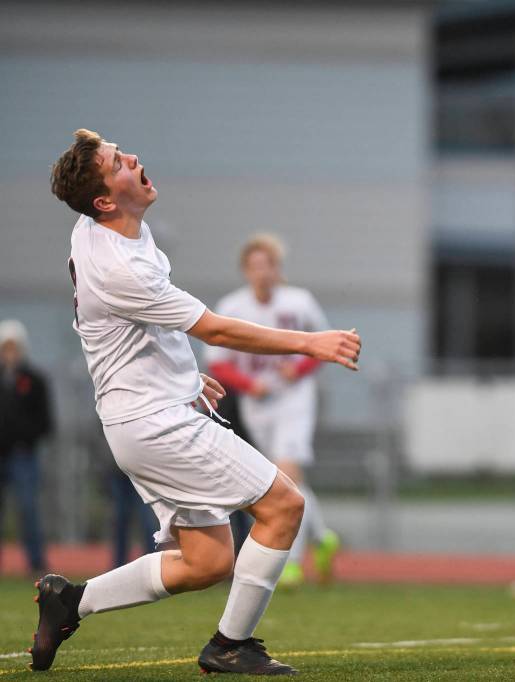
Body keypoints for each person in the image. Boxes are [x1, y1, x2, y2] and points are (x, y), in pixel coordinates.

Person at [38, 129, 361, 674]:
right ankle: (230, 646)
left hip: (144, 416)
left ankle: (71, 601)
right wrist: (310, 342)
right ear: (104, 201)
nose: (133, 157)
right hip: (155, 425)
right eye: (119, 161)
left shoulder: (94, 228)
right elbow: (215, 329)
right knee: (285, 506)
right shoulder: (122, 266)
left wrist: (184, 378)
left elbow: (139, 329)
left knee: (208, 561)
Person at [206, 235, 339, 586]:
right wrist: (249, 385)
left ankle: (292, 562)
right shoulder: (233, 307)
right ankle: (322, 536)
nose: (262, 273)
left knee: (288, 473)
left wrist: (297, 370)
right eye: (255, 266)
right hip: (257, 405)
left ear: (278, 269)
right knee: (280, 481)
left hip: (295, 400)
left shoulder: (300, 302)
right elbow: (217, 362)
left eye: (268, 266)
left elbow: (324, 346)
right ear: (245, 270)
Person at [0, 320, 51, 575]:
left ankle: (36, 563)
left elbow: (45, 421)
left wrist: (23, 438)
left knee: (28, 508)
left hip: (23, 455)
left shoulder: (34, 380)